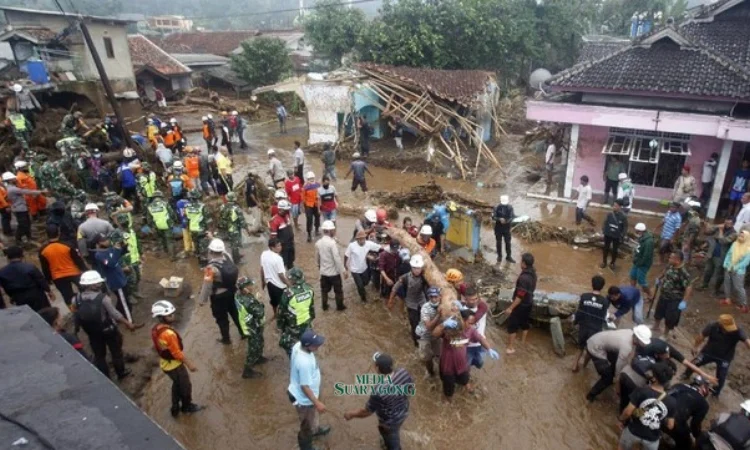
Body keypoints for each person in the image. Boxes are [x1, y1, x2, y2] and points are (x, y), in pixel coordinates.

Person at [73, 270, 136, 380]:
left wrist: (76, 330)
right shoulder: (103, 298)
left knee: (99, 356)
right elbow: (115, 314)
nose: (100, 284)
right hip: (108, 330)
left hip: (92, 333)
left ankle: (105, 377)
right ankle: (121, 372)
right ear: (92, 285)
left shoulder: (76, 299)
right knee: (116, 352)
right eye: (98, 283)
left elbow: (76, 315)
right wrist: (128, 323)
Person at [344, 352, 413, 450]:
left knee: (393, 444)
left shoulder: (378, 391)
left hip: (389, 423)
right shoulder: (403, 373)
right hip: (404, 412)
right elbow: (410, 389)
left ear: (377, 368)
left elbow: (366, 412)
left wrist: (351, 414)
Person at [432, 303, 500, 401]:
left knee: (465, 380)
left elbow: (480, 339)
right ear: (463, 321)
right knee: (448, 391)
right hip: (447, 367)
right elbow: (434, 333)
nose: (472, 325)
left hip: (462, 366)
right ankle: (448, 403)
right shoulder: (451, 329)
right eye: (470, 322)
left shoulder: (470, 331)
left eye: (473, 323)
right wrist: (443, 324)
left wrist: (489, 348)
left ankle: (467, 387)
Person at [151, 300, 203, 417]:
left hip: (166, 363)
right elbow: (176, 353)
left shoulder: (156, 329)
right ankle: (187, 407)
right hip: (174, 365)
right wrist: (189, 364)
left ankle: (175, 407)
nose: (173, 316)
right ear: (161, 317)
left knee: (177, 384)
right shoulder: (169, 333)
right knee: (185, 386)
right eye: (169, 315)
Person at [682, 314, 750, 397]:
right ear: (721, 324)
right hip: (708, 352)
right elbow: (701, 336)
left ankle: (715, 392)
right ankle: (686, 374)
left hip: (725, 357)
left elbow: (747, 341)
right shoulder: (712, 326)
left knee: (721, 376)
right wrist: (695, 347)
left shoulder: (738, 330)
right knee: (694, 362)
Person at [618, 361, 677, 450]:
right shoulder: (672, 401)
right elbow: (670, 425)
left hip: (633, 431)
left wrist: (621, 420)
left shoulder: (641, 391)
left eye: (652, 373)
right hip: (652, 440)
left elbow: (628, 412)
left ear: (654, 379)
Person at [585, 325, 652, 402]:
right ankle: (591, 395)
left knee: (614, 362)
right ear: (636, 338)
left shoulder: (629, 331)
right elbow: (619, 366)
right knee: (608, 378)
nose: (644, 344)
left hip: (598, 338)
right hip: (595, 347)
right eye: (643, 341)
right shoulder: (626, 347)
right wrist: (617, 380)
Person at [288, 329, 330, 450]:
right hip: (304, 400)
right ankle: (306, 447)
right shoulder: (304, 362)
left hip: (309, 396)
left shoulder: (298, 345)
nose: (318, 345)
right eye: (316, 344)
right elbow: (304, 386)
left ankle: (315, 429)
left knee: (312, 416)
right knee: (305, 425)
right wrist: (317, 403)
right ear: (308, 346)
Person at [198, 239, 243, 344]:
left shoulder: (210, 268)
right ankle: (243, 333)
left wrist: (202, 300)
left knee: (222, 319)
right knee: (235, 314)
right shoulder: (228, 257)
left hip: (219, 297)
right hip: (232, 292)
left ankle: (226, 339)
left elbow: (207, 286)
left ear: (211, 252)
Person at [39, 225, 87, 307]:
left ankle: (74, 312)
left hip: (58, 277)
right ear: (59, 233)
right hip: (74, 272)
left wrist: (48, 279)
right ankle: (87, 305)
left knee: (67, 297)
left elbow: (45, 267)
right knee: (85, 290)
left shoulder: (43, 250)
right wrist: (85, 270)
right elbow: (78, 260)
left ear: (47, 235)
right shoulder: (68, 245)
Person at [572, 275, 609, 373]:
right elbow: (603, 317)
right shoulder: (605, 302)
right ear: (602, 287)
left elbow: (579, 312)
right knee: (589, 349)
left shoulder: (584, 296)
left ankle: (574, 365)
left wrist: (575, 322)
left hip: (583, 326)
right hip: (595, 329)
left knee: (580, 347)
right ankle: (584, 365)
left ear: (592, 284)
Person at [389, 255, 428, 346]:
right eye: (415, 268)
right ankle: (416, 343)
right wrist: (390, 300)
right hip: (411, 304)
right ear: (411, 267)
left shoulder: (425, 276)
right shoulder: (405, 277)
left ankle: (425, 340)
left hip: (422, 302)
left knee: (425, 322)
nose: (417, 270)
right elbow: (395, 288)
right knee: (414, 324)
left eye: (419, 268)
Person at [0, 245, 53, 311]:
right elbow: (40, 280)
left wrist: (12, 297)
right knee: (45, 313)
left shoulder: (2, 272)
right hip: (36, 295)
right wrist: (49, 291)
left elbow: (5, 287)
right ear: (22, 255)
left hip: (19, 298)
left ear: (8, 257)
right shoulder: (30, 267)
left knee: (29, 316)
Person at [94, 231, 132, 322]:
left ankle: (116, 316)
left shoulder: (109, 249)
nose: (107, 241)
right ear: (99, 243)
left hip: (120, 277)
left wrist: (123, 246)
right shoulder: (99, 255)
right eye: (104, 240)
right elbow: (111, 263)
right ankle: (130, 321)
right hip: (115, 281)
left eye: (107, 239)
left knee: (122, 300)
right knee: (125, 303)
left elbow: (119, 255)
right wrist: (117, 249)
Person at [653, 251, 693, 337]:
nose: (669, 259)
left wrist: (684, 301)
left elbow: (688, 288)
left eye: (671, 258)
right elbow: (664, 272)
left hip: (674, 299)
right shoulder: (670, 265)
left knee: (670, 318)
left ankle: (665, 335)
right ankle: (655, 326)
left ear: (677, 260)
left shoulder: (683, 273)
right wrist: (659, 278)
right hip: (663, 295)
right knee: (658, 312)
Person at [278, 267, 315, 357]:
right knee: (307, 344)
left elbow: (281, 311)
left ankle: (295, 360)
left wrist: (280, 327)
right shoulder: (309, 288)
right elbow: (311, 307)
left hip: (293, 325)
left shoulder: (288, 293)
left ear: (292, 279)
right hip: (307, 322)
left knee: (288, 344)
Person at [666, 376, 712, 449]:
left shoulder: (679, 385)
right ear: (703, 387)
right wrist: (697, 436)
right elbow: (694, 424)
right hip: (673, 421)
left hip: (655, 410)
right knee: (687, 444)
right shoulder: (704, 404)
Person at [504, 253, 537, 354]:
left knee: (512, 325)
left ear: (524, 263)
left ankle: (510, 348)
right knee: (525, 322)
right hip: (529, 302)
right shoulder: (533, 273)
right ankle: (523, 342)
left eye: (521, 261)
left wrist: (510, 308)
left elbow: (519, 296)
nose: (519, 262)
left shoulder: (523, 278)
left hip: (520, 305)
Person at [235, 277, 267, 379]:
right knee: (253, 348)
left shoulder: (238, 295)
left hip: (251, 324)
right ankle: (247, 371)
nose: (252, 286)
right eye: (250, 285)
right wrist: (259, 301)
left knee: (260, 342)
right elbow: (260, 313)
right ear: (244, 288)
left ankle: (258, 358)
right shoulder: (249, 301)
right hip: (252, 327)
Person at [4, 171, 46, 245]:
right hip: (19, 209)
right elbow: (26, 191)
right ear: (10, 180)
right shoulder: (12, 189)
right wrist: (41, 192)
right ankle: (18, 239)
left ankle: (29, 237)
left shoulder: (12, 187)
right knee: (22, 225)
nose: (16, 179)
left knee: (27, 223)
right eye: (14, 178)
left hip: (22, 208)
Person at [315, 221, 346, 311]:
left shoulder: (318, 243)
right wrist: (343, 270)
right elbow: (337, 259)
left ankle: (324, 307)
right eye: (333, 230)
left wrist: (319, 267)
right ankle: (340, 307)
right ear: (330, 231)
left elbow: (317, 258)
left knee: (324, 291)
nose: (335, 231)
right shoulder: (332, 244)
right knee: (338, 291)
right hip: (334, 273)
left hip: (324, 273)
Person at [701, 219, 736, 297]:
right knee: (708, 270)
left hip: (721, 256)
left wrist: (720, 231)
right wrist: (711, 225)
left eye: (728, 223)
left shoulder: (734, 234)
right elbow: (707, 232)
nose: (726, 224)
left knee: (718, 275)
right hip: (712, 253)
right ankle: (704, 284)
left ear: (733, 224)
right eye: (725, 222)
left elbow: (723, 241)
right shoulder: (720, 228)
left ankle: (715, 290)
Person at [345, 230, 382, 303]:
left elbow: (380, 247)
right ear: (357, 239)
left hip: (364, 268)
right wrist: (345, 267)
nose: (362, 241)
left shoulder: (368, 244)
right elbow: (346, 256)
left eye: (364, 238)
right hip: (354, 270)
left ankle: (361, 289)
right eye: (360, 239)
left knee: (366, 282)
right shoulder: (352, 246)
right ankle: (363, 298)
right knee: (360, 285)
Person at [416, 287, 443, 376]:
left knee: (440, 356)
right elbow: (429, 326)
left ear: (440, 296)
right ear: (428, 297)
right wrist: (438, 315)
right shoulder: (425, 308)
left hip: (437, 336)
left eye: (436, 296)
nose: (434, 299)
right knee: (427, 358)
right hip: (425, 335)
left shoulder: (443, 305)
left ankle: (442, 372)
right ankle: (431, 373)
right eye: (431, 297)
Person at [722, 229, 750, 313]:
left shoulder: (748, 249)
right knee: (727, 283)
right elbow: (729, 254)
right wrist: (726, 263)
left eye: (742, 236)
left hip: (739, 271)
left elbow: (746, 262)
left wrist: (736, 267)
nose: (740, 237)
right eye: (740, 235)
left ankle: (744, 305)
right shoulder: (735, 244)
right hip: (728, 267)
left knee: (738, 287)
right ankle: (727, 299)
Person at [261, 238, 290, 317]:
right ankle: (283, 318)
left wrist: (262, 282)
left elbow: (262, 269)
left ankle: (275, 315)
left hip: (269, 283)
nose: (280, 247)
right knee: (284, 303)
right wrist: (289, 284)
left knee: (273, 302)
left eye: (280, 245)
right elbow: (281, 275)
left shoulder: (264, 254)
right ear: (272, 247)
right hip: (279, 285)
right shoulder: (278, 259)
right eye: (277, 246)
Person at [218, 192, 251, 263]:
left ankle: (237, 255)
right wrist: (247, 230)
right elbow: (242, 221)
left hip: (226, 228)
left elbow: (221, 217)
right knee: (235, 245)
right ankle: (237, 260)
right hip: (234, 228)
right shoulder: (236, 208)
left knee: (233, 243)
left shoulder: (223, 207)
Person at [463, 285, 490, 370]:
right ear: (465, 299)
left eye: (475, 299)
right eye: (471, 299)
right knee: (466, 366)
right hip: (468, 346)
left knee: (479, 363)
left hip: (481, 344)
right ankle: (466, 379)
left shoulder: (482, 308)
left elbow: (475, 318)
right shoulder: (461, 311)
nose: (474, 301)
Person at [146, 190, 176, 258]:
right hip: (167, 224)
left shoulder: (149, 206)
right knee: (169, 241)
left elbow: (149, 219)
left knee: (161, 239)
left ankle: (165, 252)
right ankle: (172, 257)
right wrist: (174, 220)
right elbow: (171, 213)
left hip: (157, 225)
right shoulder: (165, 204)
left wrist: (152, 226)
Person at [184, 190, 211, 266]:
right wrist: (210, 230)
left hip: (192, 230)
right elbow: (208, 220)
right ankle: (204, 265)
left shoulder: (187, 207)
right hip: (201, 230)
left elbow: (186, 218)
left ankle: (199, 262)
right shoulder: (202, 206)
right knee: (203, 248)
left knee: (196, 246)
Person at [630, 222, 655, 301]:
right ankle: (633, 292)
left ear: (641, 231)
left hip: (643, 264)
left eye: (637, 232)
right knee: (632, 275)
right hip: (637, 261)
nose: (636, 233)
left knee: (641, 280)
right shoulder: (642, 238)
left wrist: (639, 263)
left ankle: (650, 295)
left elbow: (646, 256)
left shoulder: (649, 242)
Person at [601, 199, 628, 270]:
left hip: (616, 236)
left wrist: (622, 235)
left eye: (616, 206)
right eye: (613, 205)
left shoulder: (623, 216)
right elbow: (605, 222)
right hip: (608, 234)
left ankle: (612, 263)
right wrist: (603, 230)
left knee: (615, 250)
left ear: (620, 207)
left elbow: (625, 227)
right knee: (605, 248)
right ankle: (604, 262)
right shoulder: (609, 214)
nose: (614, 207)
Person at [270, 199, 296, 269]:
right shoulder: (275, 220)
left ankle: (291, 273)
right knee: (283, 263)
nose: (287, 211)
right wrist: (276, 250)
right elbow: (273, 237)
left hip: (290, 243)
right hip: (283, 246)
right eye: (286, 210)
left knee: (291, 260)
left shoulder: (287, 216)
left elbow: (289, 227)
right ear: (281, 209)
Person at [492, 194, 515, 263]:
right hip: (498, 228)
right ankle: (499, 256)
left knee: (508, 243)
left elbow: (512, 217)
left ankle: (508, 256)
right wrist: (499, 219)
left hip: (507, 228)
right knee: (498, 242)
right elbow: (493, 217)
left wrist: (506, 221)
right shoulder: (496, 207)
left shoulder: (510, 207)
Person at [302, 172, 321, 242]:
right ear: (307, 179)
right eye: (310, 179)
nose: (311, 180)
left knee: (317, 217)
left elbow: (320, 195)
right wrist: (303, 207)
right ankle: (309, 234)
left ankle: (316, 230)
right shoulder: (305, 187)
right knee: (309, 219)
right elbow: (303, 198)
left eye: (312, 178)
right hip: (308, 205)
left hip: (316, 204)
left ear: (314, 178)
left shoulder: (318, 185)